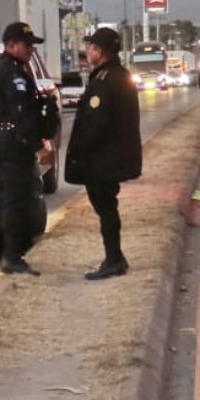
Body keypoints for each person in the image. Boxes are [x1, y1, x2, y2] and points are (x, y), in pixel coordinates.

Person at [0, 21, 56, 276]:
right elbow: (22, 114)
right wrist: (36, 146)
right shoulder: (14, 72)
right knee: (17, 199)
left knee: (15, 197)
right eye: (27, 45)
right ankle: (11, 256)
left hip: (6, 138)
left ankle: (12, 254)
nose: (31, 50)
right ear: (11, 45)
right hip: (16, 143)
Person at [65, 27, 142, 280]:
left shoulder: (105, 80)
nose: (88, 52)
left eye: (91, 48)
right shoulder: (119, 75)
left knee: (106, 208)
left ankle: (113, 260)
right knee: (107, 207)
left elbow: (95, 124)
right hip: (112, 156)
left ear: (100, 51)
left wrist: (80, 152)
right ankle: (116, 257)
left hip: (103, 159)